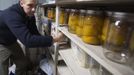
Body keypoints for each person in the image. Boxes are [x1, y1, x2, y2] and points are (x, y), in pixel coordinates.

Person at [0, 0, 63, 75]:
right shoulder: (12, 15)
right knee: (2, 71)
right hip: (1, 43)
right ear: (21, 3)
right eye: (30, 5)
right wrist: (53, 39)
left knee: (22, 63)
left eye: (35, 6)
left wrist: (48, 41)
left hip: (12, 41)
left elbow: (34, 33)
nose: (33, 9)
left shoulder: (29, 14)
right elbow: (28, 41)